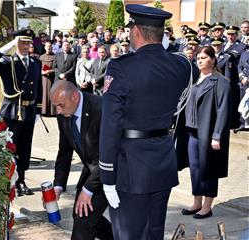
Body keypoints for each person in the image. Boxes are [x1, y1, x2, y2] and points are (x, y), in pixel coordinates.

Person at [99, 4, 191, 239]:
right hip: (162, 161)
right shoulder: (180, 66)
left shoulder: (120, 67)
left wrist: (107, 175)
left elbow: (110, 126)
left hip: (131, 168)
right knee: (154, 233)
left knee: (128, 235)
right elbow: (186, 65)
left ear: (136, 31)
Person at [50, 80, 113, 240]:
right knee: (83, 215)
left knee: (83, 218)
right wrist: (58, 185)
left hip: (114, 170)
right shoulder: (64, 114)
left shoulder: (101, 108)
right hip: (93, 168)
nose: (58, 110)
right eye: (55, 105)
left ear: (75, 97)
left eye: (61, 105)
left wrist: (88, 190)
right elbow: (64, 151)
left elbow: (109, 154)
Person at [175, 46, 231, 219]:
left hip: (208, 134)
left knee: (209, 170)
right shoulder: (196, 80)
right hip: (192, 134)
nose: (200, 60)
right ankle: (196, 202)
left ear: (213, 60)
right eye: (198, 58)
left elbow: (223, 110)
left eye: (204, 57)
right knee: (195, 170)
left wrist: (217, 135)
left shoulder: (220, 81)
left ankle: (207, 206)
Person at [0, 28, 42, 197]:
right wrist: (7, 46)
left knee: (25, 148)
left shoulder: (35, 63)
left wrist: (38, 109)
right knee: (11, 147)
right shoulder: (6, 61)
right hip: (12, 110)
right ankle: (8, 181)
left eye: (28, 43)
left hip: (29, 110)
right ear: (16, 43)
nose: (26, 46)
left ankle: (21, 180)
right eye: (22, 42)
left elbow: (38, 87)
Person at [39, 41, 56, 116]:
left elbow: (57, 68)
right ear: (45, 47)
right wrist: (41, 71)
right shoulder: (41, 57)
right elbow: (38, 67)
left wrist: (50, 70)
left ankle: (52, 112)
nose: (48, 48)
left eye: (50, 46)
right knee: (44, 94)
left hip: (52, 78)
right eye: (47, 46)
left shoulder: (55, 57)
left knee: (52, 93)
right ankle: (44, 111)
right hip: (44, 78)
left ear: (52, 47)